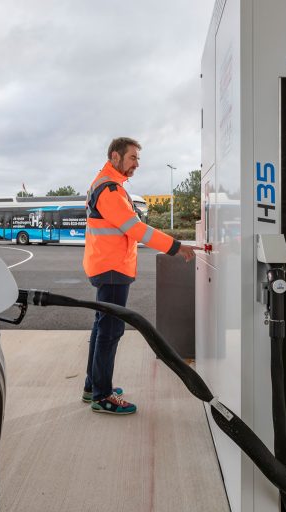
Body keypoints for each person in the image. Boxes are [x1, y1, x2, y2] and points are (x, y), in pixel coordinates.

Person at [82, 137, 201, 415]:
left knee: (102, 327)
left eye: (138, 158)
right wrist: (176, 246)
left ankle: (93, 386)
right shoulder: (109, 189)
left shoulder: (110, 185)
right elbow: (137, 230)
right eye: (133, 157)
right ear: (115, 157)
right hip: (112, 269)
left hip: (108, 266)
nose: (137, 164)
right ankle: (102, 395)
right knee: (110, 331)